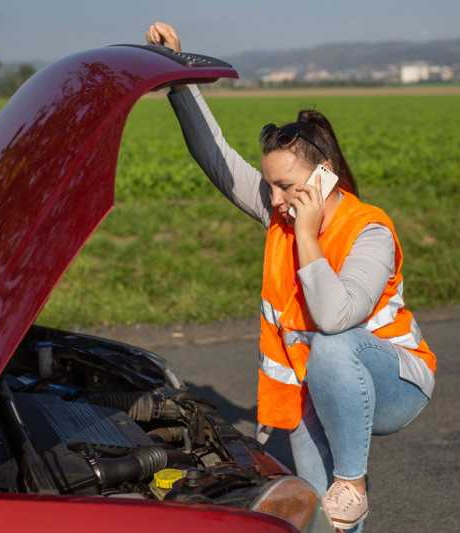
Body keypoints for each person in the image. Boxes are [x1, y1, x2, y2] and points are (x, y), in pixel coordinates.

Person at [146, 21, 437, 532]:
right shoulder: (281, 209)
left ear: (324, 175)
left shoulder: (369, 231)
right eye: (271, 187)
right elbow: (215, 159)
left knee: (330, 346)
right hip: (311, 389)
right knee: (314, 513)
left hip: (394, 383)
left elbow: (332, 316)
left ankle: (354, 480)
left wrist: (305, 234)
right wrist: (179, 78)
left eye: (286, 187)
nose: (274, 200)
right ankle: (342, 503)